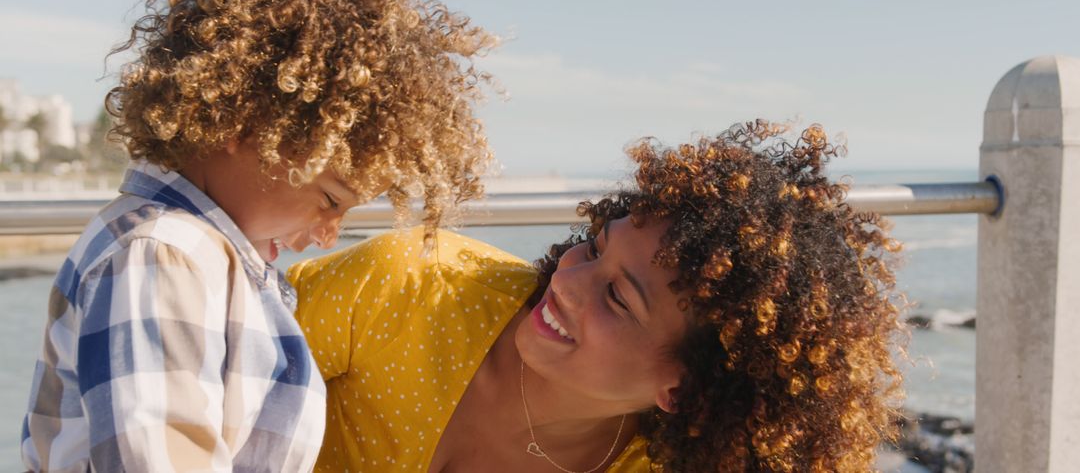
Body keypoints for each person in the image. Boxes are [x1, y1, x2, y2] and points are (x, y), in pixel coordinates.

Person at [21, 0, 494, 471]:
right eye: (330, 200)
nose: (326, 236)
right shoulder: (163, 255)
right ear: (246, 128)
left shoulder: (198, 257)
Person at [289, 121, 906, 472]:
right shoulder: (411, 284)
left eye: (618, 298)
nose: (566, 279)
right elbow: (199, 369)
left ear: (682, 390)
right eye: (594, 247)